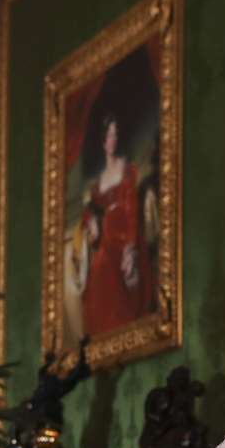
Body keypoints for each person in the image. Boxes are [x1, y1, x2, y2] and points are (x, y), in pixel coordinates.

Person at [72, 113, 154, 336]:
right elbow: (90, 211)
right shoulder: (98, 182)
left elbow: (131, 209)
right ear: (102, 140)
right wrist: (92, 223)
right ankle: (104, 333)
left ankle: (121, 327)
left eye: (116, 135)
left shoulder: (127, 169)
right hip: (106, 240)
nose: (112, 140)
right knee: (99, 268)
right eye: (108, 135)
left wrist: (130, 247)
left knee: (108, 264)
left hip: (126, 236)